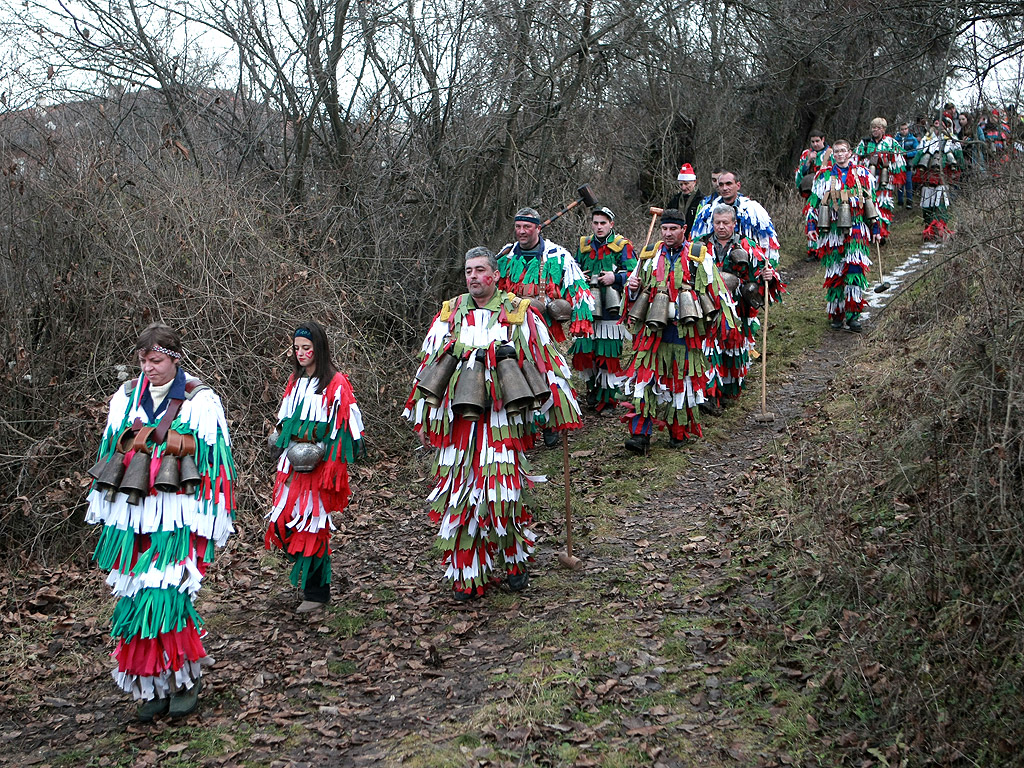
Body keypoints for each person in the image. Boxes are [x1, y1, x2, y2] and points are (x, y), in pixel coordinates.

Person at [405, 247, 583, 600]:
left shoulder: (518, 313)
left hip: (501, 419)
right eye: (468, 271)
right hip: (457, 422)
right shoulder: (450, 313)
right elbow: (429, 365)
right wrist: (423, 415)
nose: (473, 276)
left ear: (496, 275)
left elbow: (544, 360)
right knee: (459, 497)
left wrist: (558, 408)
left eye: (480, 270)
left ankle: (515, 560)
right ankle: (467, 575)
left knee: (501, 495)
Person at [85, 323, 236, 721]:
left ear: (174, 359)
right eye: (143, 361)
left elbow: (213, 464)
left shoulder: (199, 400)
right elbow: (110, 449)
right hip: (131, 515)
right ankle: (151, 683)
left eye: (156, 361)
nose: (148, 368)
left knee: (166, 595)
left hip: (175, 518)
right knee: (133, 597)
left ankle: (185, 679)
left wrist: (210, 517)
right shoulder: (126, 397)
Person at [265, 322, 364, 614]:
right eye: (296, 348)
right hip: (290, 465)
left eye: (306, 348)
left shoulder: (336, 383)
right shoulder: (294, 382)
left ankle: (316, 593)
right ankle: (307, 580)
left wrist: (323, 456)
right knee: (283, 521)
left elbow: (347, 428)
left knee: (312, 527)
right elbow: (284, 420)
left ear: (319, 348)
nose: (300, 353)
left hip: (318, 466)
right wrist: (278, 438)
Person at [618, 209, 735, 453]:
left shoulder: (698, 257)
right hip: (652, 331)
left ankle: (678, 431)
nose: (668, 233)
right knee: (645, 381)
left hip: (685, 331)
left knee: (682, 381)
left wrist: (720, 323)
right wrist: (632, 288)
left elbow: (715, 291)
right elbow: (631, 297)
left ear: (684, 230)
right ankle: (640, 435)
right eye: (665, 229)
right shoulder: (649, 256)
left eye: (673, 229)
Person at [498, 206, 592, 446]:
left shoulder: (557, 256)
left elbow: (578, 288)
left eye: (527, 227)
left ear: (538, 228)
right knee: (514, 373)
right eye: (518, 227)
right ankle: (522, 424)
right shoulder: (506, 256)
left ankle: (552, 423)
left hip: (543, 328)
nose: (521, 232)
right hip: (510, 328)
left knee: (547, 372)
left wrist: (577, 318)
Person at [698, 205, 785, 407]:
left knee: (734, 348)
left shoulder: (746, 245)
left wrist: (768, 277)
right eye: (717, 223)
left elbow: (763, 270)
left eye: (725, 223)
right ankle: (710, 394)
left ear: (734, 224)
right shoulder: (700, 245)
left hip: (737, 309)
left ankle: (729, 391)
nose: (721, 227)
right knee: (710, 349)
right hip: (709, 306)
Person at [805, 139, 880, 332]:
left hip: (856, 229)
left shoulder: (862, 174)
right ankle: (837, 315)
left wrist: (876, 228)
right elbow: (814, 203)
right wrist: (811, 225)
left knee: (854, 271)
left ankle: (853, 315)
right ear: (833, 154)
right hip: (831, 231)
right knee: (835, 273)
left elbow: (872, 201)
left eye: (843, 151)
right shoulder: (823, 176)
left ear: (849, 153)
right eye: (836, 151)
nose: (839, 154)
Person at [571, 206, 637, 413]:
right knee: (585, 352)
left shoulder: (622, 246)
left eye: (603, 223)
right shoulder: (584, 246)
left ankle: (608, 400)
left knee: (607, 355)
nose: (599, 227)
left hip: (611, 307)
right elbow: (571, 269)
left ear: (611, 224)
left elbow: (636, 273)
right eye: (596, 223)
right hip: (586, 308)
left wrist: (615, 278)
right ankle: (593, 392)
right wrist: (579, 275)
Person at [690, 170, 781, 271]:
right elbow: (697, 239)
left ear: (738, 185)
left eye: (728, 184)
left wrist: (766, 267)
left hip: (746, 268)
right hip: (712, 267)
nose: (725, 188)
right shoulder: (706, 212)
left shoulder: (754, 211)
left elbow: (767, 242)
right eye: (721, 184)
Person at [853, 117, 906, 241]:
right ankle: (868, 232)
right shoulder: (864, 143)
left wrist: (887, 164)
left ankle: (881, 234)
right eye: (873, 127)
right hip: (867, 180)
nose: (875, 130)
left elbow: (900, 161)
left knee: (882, 205)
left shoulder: (891, 142)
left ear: (883, 129)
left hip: (884, 180)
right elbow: (855, 159)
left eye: (878, 128)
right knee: (868, 204)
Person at [914, 116, 963, 240]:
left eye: (940, 124)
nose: (938, 126)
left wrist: (958, 166)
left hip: (943, 176)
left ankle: (941, 230)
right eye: (935, 123)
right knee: (927, 206)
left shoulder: (952, 139)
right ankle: (929, 231)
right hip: (928, 176)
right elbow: (918, 154)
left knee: (941, 205)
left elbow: (959, 156)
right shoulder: (926, 139)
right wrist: (913, 165)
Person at [795, 132, 831, 260]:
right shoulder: (806, 154)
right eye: (813, 142)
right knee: (811, 217)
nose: (815, 144)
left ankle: (828, 247)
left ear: (823, 139)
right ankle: (814, 250)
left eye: (817, 141)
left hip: (827, 193)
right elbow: (800, 174)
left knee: (827, 217)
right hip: (811, 193)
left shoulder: (830, 153)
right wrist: (809, 161)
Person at [666, 163, 702, 235]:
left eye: (686, 184)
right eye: (681, 184)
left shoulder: (702, 200)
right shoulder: (674, 200)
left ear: (694, 182)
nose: (683, 187)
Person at [894, 122, 920, 208]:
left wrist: (907, 154)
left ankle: (909, 201)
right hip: (898, 164)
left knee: (908, 181)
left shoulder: (913, 139)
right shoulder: (896, 139)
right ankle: (900, 201)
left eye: (905, 129)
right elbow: (892, 149)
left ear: (908, 129)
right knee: (899, 182)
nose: (904, 131)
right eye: (902, 129)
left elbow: (917, 150)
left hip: (908, 163)